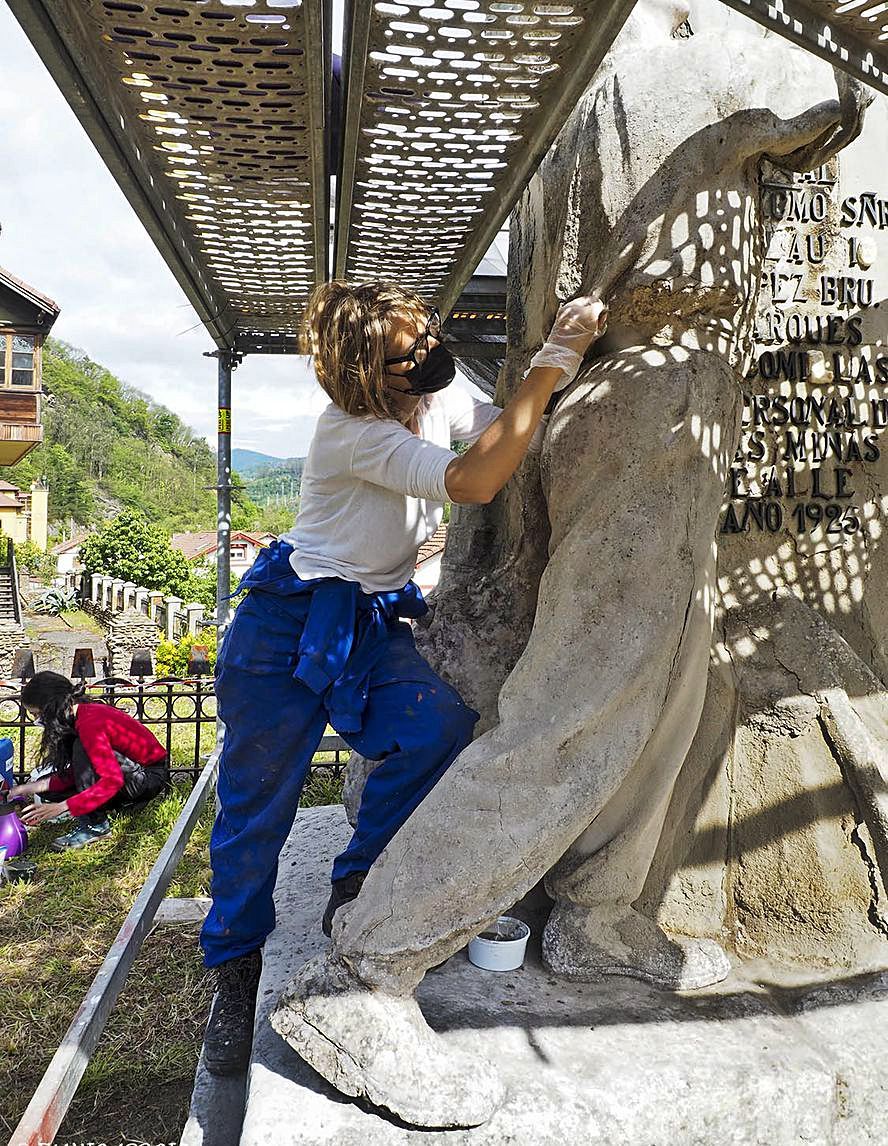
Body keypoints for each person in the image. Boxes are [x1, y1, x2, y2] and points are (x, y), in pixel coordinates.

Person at [199, 279, 607, 1077]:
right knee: (257, 806)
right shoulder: (349, 432)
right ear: (364, 377)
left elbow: (497, 432)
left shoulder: (434, 388)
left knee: (435, 730)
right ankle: (233, 966)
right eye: (404, 354)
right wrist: (555, 359)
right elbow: (476, 480)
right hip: (288, 623)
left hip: (366, 616)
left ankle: (354, 888)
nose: (426, 355)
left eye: (424, 335)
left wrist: (557, 393)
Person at [11, 671, 170, 850]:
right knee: (48, 788)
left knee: (80, 748)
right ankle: (118, 806)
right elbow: (81, 771)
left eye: (36, 714)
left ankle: (96, 826)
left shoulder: (90, 724)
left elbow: (112, 780)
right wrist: (27, 788)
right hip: (129, 773)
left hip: (148, 776)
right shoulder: (78, 716)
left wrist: (61, 807)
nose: (36, 720)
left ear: (51, 708)